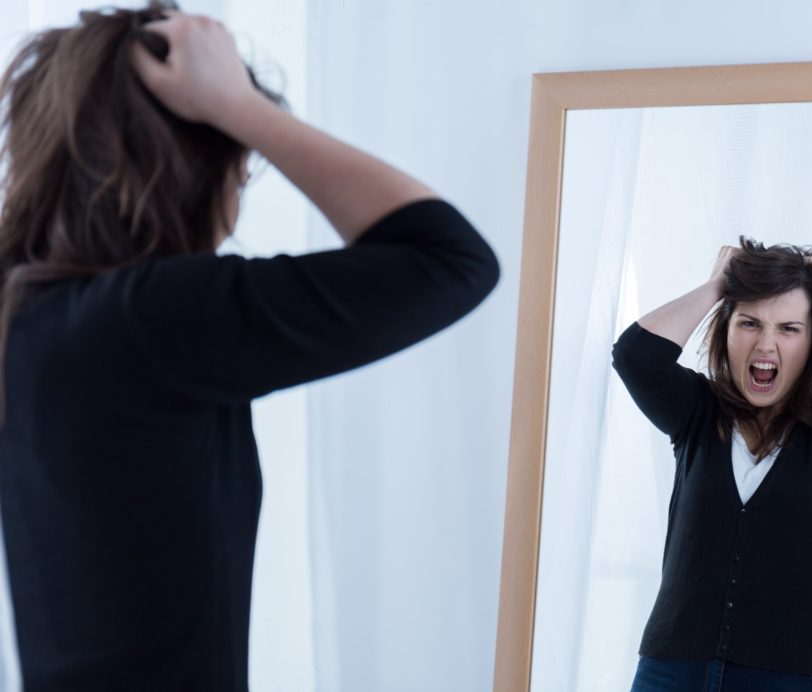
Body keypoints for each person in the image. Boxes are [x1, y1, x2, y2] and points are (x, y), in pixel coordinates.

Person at [0, 3, 498, 689]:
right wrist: (241, 107)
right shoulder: (150, 319)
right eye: (243, 161)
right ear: (197, 164)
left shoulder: (23, 315)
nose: (240, 185)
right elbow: (451, 261)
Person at [613, 238, 812, 692]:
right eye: (749, 323)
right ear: (725, 330)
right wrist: (715, 286)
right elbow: (635, 357)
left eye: (789, 328)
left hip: (786, 678)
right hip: (671, 671)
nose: (766, 344)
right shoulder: (697, 412)